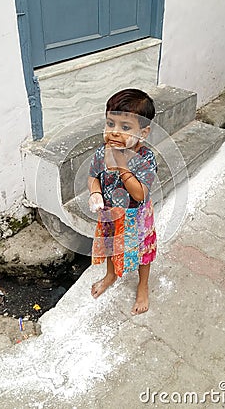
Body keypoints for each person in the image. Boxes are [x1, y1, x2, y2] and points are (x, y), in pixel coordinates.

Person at [88, 88, 157, 315]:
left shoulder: (146, 158)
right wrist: (95, 193)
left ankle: (143, 285)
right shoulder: (102, 152)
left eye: (125, 128)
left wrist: (121, 165)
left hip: (135, 216)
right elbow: (93, 177)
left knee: (142, 252)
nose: (115, 133)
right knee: (110, 246)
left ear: (143, 133)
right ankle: (110, 275)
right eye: (110, 124)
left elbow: (139, 195)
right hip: (110, 213)